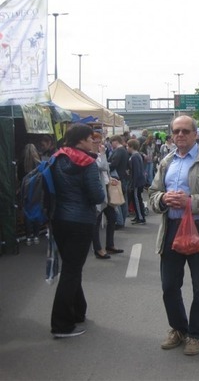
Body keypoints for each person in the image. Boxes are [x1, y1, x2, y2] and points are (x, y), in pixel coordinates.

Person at [149, 115, 199, 356]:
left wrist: (191, 202)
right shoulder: (166, 162)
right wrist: (162, 199)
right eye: (176, 131)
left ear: (196, 135)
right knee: (169, 285)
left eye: (185, 131)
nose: (180, 135)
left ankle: (196, 334)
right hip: (172, 228)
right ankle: (178, 328)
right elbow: (152, 194)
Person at [50, 124, 105, 338]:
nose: (94, 142)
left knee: (72, 268)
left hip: (59, 219)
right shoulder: (88, 163)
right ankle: (61, 324)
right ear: (81, 140)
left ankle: (78, 311)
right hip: (81, 221)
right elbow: (97, 196)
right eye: (91, 138)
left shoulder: (57, 158)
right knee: (72, 271)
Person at [91, 132, 122, 260]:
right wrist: (103, 154)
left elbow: (105, 171)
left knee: (112, 217)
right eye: (96, 142)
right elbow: (102, 166)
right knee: (96, 222)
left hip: (106, 191)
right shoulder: (91, 156)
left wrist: (110, 179)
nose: (99, 144)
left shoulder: (99, 155)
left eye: (100, 142)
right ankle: (98, 249)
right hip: (98, 193)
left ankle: (110, 245)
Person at [19, 143, 42, 245]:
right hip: (36, 190)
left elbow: (19, 177)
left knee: (27, 213)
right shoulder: (38, 163)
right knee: (36, 212)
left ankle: (28, 237)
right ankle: (36, 236)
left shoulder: (21, 163)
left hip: (25, 190)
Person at [108, 135, 129, 229]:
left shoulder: (118, 151)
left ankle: (119, 221)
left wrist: (107, 167)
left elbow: (114, 164)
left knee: (116, 201)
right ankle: (122, 220)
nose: (111, 144)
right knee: (123, 200)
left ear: (116, 141)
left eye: (112, 142)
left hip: (117, 178)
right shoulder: (124, 151)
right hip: (123, 177)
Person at [127, 139, 147, 225]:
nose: (127, 148)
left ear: (131, 147)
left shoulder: (134, 156)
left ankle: (141, 217)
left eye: (128, 146)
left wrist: (133, 184)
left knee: (137, 199)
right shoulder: (137, 155)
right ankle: (138, 216)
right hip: (139, 181)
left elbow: (136, 171)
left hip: (137, 182)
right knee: (137, 199)